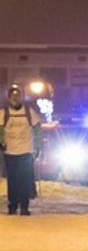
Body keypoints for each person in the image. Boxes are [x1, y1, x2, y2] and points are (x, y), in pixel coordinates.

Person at [1, 85, 43, 215]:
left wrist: (38, 145)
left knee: (25, 178)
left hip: (26, 151)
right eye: (13, 96)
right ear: (9, 98)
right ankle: (12, 205)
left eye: (18, 96)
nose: (16, 98)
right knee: (13, 180)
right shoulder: (4, 113)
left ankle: (24, 206)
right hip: (10, 152)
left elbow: (37, 128)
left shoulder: (29, 112)